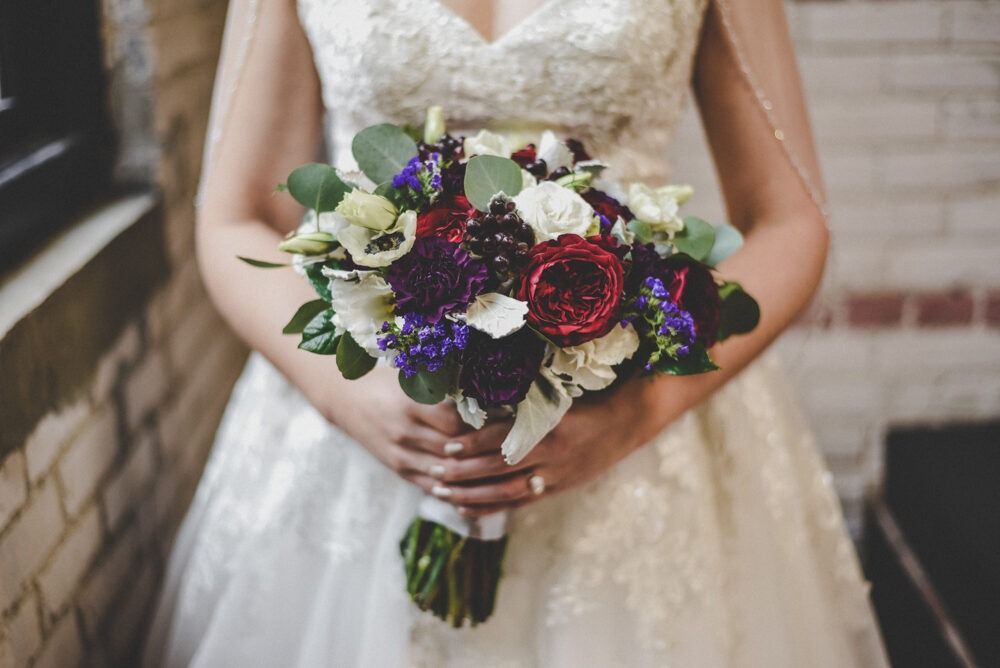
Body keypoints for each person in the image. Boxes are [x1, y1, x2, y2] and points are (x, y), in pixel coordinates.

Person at [143, 0, 890, 665]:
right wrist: (353, 402)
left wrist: (642, 412)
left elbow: (789, 221)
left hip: (634, 435)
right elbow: (237, 215)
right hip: (369, 425)